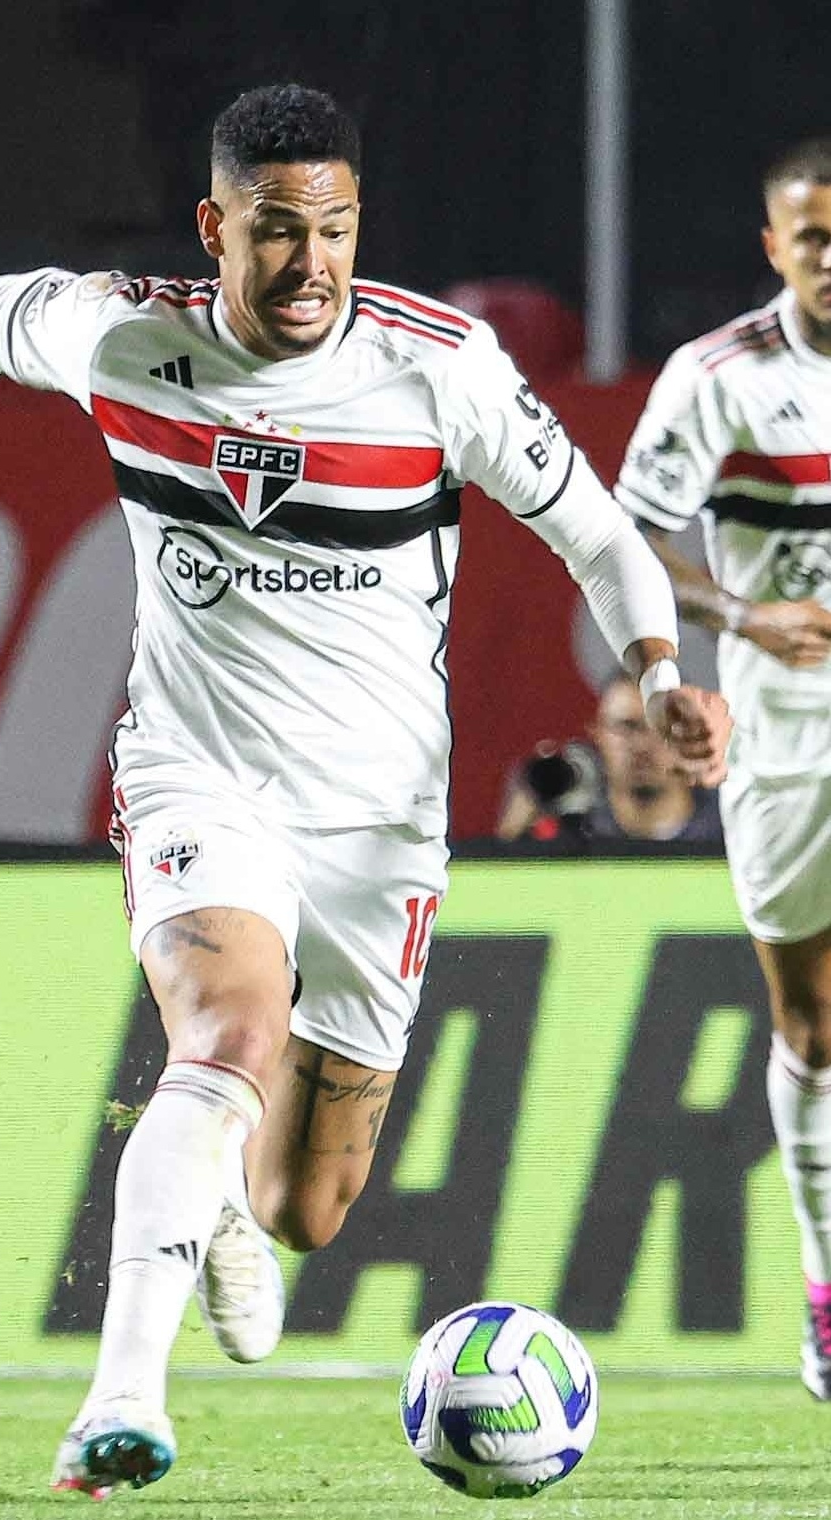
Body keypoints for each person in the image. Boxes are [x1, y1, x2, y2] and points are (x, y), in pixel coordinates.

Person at [0, 82, 733, 1495]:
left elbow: (603, 540)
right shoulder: (126, 334)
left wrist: (663, 666)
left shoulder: (440, 366)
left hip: (380, 818)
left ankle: (228, 1212)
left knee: (305, 1207)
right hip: (200, 775)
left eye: (332, 231)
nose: (308, 264)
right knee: (228, 1033)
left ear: (357, 226)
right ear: (214, 228)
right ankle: (120, 1399)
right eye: (272, 233)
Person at [615, 137, 831, 1401]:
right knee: (813, 1023)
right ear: (774, 245)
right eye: (813, 237)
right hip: (790, 734)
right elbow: (635, 529)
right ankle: (824, 1287)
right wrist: (740, 618)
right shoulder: (723, 376)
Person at [496, 671, 724, 846]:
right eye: (626, 727)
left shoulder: (731, 830)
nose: (642, 745)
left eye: (660, 728)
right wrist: (515, 837)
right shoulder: (572, 832)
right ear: (598, 736)